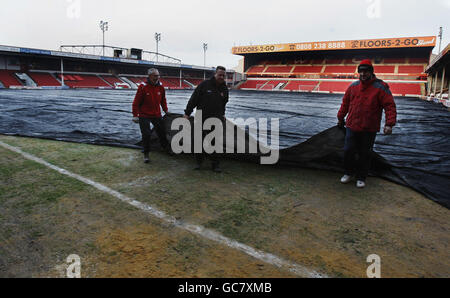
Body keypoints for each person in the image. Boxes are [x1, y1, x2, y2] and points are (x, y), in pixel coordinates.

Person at [337, 59, 397, 188]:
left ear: (371, 72)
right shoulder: (353, 86)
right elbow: (345, 104)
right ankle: (348, 173)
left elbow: (390, 106)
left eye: (366, 71)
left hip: (369, 128)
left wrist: (389, 124)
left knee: (365, 153)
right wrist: (340, 118)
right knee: (348, 151)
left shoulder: (381, 87)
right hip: (352, 126)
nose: (363, 74)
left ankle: (361, 177)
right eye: (361, 72)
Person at [183, 66, 229, 173]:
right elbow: (194, 99)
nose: (221, 77)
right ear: (215, 74)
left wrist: (222, 114)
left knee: (215, 142)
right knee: (199, 141)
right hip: (201, 117)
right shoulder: (204, 84)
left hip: (216, 118)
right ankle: (199, 163)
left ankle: (215, 165)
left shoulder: (224, 88)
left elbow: (223, 103)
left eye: (223, 75)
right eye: (220, 75)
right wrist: (187, 113)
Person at [132, 68, 171, 163]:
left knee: (162, 132)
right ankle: (146, 154)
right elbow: (136, 102)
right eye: (155, 76)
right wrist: (135, 115)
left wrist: (165, 110)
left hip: (156, 114)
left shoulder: (161, 86)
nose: (157, 78)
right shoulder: (142, 87)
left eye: (158, 76)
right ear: (149, 76)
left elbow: (163, 100)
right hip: (144, 115)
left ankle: (166, 148)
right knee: (146, 134)